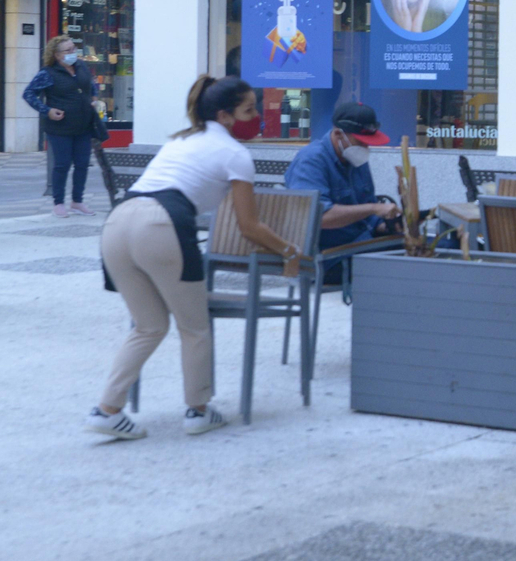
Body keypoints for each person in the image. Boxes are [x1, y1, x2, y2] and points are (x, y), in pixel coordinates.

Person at [88, 76, 308, 440]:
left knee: (149, 325)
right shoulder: (237, 154)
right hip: (162, 225)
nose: (256, 117)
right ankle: (198, 410)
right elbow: (249, 226)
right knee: (195, 326)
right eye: (249, 110)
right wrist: (289, 251)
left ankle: (107, 409)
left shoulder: (181, 140)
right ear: (225, 115)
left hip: (118, 222)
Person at [283, 102, 400, 283]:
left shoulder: (355, 158)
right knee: (409, 263)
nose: (365, 149)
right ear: (338, 134)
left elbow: (368, 216)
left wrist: (387, 224)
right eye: (361, 143)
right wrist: (374, 208)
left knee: (431, 247)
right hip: (327, 259)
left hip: (360, 243)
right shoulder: (311, 161)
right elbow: (319, 217)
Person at [23, 35, 101, 217]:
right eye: (68, 50)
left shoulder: (81, 66)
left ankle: (77, 201)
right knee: (62, 164)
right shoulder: (48, 73)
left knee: (82, 164)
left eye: (74, 48)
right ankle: (58, 203)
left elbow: (90, 84)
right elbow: (29, 94)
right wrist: (47, 110)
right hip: (59, 127)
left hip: (83, 125)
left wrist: (94, 99)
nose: (73, 53)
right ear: (57, 55)